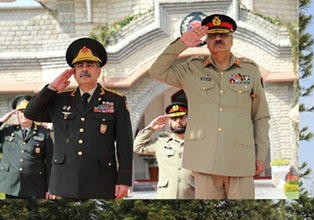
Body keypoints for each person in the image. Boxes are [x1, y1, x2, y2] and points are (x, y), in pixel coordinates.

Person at [149, 14, 270, 199]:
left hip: (239, 159)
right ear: (206, 42)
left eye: (223, 35)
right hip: (204, 162)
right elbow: (157, 71)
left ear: (231, 39)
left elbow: (260, 116)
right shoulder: (192, 69)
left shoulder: (250, 70)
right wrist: (181, 44)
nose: (218, 39)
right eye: (212, 36)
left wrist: (260, 154)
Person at [23, 37, 131, 199]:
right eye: (79, 65)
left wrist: (124, 180)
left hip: (100, 180)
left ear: (99, 70)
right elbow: (30, 113)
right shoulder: (59, 99)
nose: (84, 69)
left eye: (90, 65)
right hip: (64, 180)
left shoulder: (115, 101)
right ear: (73, 72)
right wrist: (52, 88)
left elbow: (125, 144)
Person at [132, 97, 195, 198]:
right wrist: (151, 128)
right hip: (166, 195)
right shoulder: (161, 142)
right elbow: (137, 146)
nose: (178, 121)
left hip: (190, 194)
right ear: (169, 122)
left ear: (188, 119)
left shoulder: (197, 143)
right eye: (174, 119)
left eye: (182, 117)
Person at [0, 95, 53, 198]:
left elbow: (50, 163)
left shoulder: (44, 134)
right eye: (21, 111)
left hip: (35, 186)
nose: (24, 114)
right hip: (11, 185)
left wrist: (49, 189)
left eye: (27, 110)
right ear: (16, 113)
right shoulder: (7, 131)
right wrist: (2, 120)